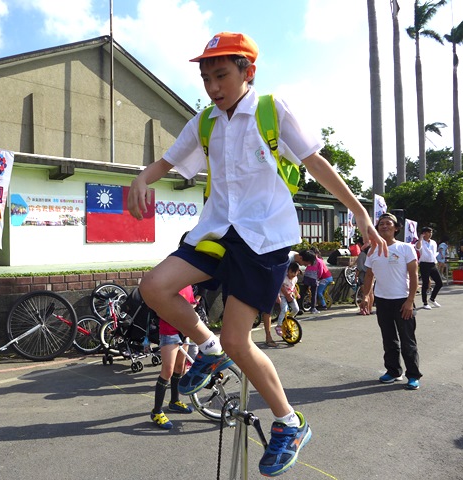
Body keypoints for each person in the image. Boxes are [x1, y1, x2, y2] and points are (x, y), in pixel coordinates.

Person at [127, 31, 386, 476]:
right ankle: (208, 349)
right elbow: (167, 161)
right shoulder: (205, 121)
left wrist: (359, 211)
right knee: (154, 286)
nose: (212, 87)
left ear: (249, 71)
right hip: (216, 230)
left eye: (221, 75)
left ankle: (290, 422)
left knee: (237, 339)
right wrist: (140, 178)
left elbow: (316, 162)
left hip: (263, 238)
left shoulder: (271, 111)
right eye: (206, 77)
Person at [360, 213, 421, 390]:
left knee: (407, 340)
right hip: (382, 300)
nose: (384, 226)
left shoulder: (405, 248)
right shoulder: (372, 250)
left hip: (402, 300)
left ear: (396, 228)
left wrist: (410, 300)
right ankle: (393, 371)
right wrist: (365, 296)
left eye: (388, 223)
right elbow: (369, 275)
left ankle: (413, 375)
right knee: (389, 339)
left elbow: (413, 275)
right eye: (381, 224)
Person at [150, 284, 195, 430]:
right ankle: (156, 411)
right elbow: (160, 309)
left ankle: (174, 401)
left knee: (180, 367)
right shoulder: (169, 284)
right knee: (167, 371)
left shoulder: (188, 285)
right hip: (170, 331)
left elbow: (192, 304)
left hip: (185, 330)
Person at [415, 227, 442, 309]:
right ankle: (425, 302)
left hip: (432, 264)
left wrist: (435, 263)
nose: (430, 234)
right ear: (424, 233)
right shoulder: (420, 242)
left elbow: (433, 253)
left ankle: (432, 299)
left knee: (439, 283)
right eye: (428, 232)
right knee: (425, 283)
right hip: (424, 264)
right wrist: (420, 238)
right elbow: (418, 248)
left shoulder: (433, 242)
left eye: (431, 232)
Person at [275, 263, 300, 337]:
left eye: (295, 273)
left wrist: (296, 293)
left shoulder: (295, 278)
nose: (292, 274)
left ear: (297, 272)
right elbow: (279, 288)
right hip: (283, 296)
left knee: (296, 309)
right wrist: (278, 296)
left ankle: (289, 319)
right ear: (288, 271)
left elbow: (294, 286)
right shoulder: (284, 278)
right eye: (291, 272)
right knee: (284, 309)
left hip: (291, 295)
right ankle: (279, 325)